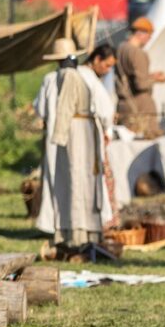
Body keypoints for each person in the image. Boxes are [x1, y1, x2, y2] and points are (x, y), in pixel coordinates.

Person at [49, 39, 115, 249]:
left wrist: (58, 137)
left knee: (77, 180)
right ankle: (80, 231)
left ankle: (80, 233)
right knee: (80, 180)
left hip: (77, 133)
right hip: (82, 129)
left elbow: (65, 107)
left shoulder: (69, 75)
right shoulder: (76, 75)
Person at [33, 40, 79, 235]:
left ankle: (54, 223)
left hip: (55, 136)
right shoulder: (79, 77)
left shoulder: (50, 79)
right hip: (74, 136)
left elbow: (41, 109)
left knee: (54, 177)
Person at [80, 44, 119, 229]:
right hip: (90, 136)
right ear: (96, 59)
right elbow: (106, 111)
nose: (108, 70)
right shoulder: (88, 79)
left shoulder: (81, 76)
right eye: (107, 65)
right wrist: (108, 130)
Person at [115, 16, 165, 137]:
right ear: (141, 34)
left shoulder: (121, 48)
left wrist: (150, 75)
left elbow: (130, 77)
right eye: (149, 35)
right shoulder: (137, 53)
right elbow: (141, 84)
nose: (149, 39)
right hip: (140, 109)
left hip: (124, 106)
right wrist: (156, 79)